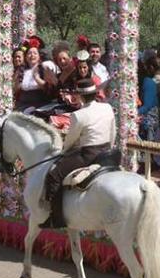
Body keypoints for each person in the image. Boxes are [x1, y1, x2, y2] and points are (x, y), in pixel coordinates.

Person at [42, 79, 115, 228]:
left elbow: (70, 141)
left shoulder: (78, 115)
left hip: (88, 155)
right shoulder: (107, 107)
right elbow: (113, 132)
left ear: (80, 96)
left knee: (54, 175)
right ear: (95, 94)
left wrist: (63, 152)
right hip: (107, 152)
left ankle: (56, 218)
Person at [137, 56, 160, 142]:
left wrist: (134, 113)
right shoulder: (143, 82)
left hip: (149, 120)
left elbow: (147, 105)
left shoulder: (148, 83)